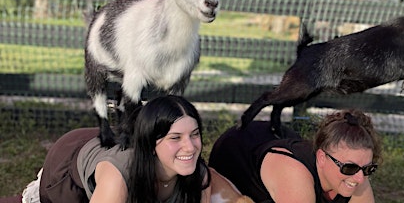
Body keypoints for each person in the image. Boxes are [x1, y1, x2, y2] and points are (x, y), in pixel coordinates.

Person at [24, 95, 212, 203]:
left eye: (194, 134)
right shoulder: (119, 177)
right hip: (69, 165)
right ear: (151, 143)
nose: (190, 147)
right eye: (175, 137)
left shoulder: (198, 176)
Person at [208, 109, 382, 203]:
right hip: (240, 148)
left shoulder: (355, 172)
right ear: (322, 157)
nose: (359, 178)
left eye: (368, 168)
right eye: (350, 167)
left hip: (279, 138)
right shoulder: (295, 177)